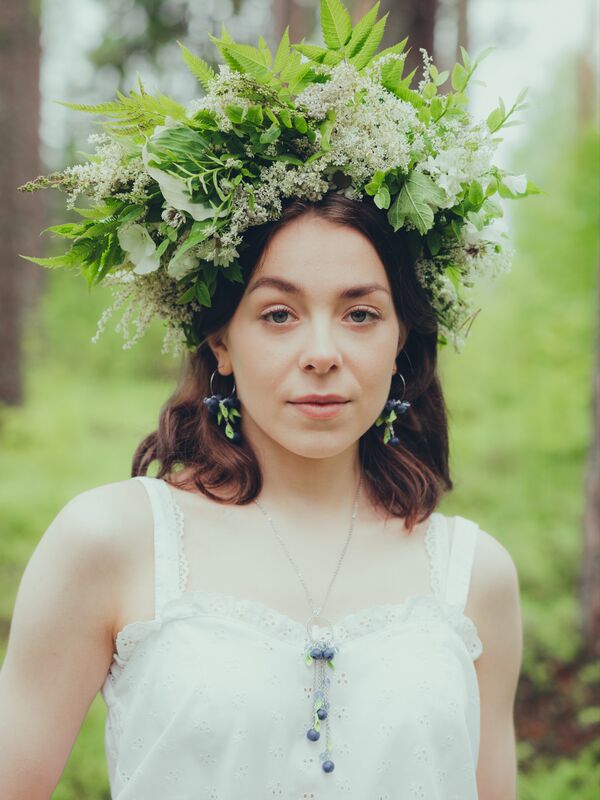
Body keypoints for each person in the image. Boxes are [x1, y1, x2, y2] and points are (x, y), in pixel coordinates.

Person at [1, 3, 529, 797]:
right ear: (221, 339)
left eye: (360, 313)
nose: (322, 353)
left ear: (401, 342)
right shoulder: (112, 542)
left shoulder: (472, 574)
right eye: (278, 313)